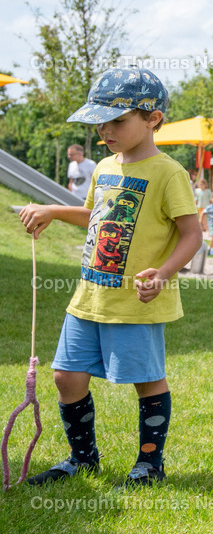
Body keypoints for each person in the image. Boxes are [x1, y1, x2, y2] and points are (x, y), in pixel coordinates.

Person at [18, 67, 201, 488]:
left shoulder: (168, 172)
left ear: (152, 118)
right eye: (100, 121)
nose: (105, 129)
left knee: (145, 378)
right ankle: (83, 460)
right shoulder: (102, 166)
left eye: (117, 120)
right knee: (65, 376)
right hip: (89, 296)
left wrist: (164, 272)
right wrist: (52, 211)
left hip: (136, 300)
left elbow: (192, 234)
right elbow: (95, 217)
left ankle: (150, 463)